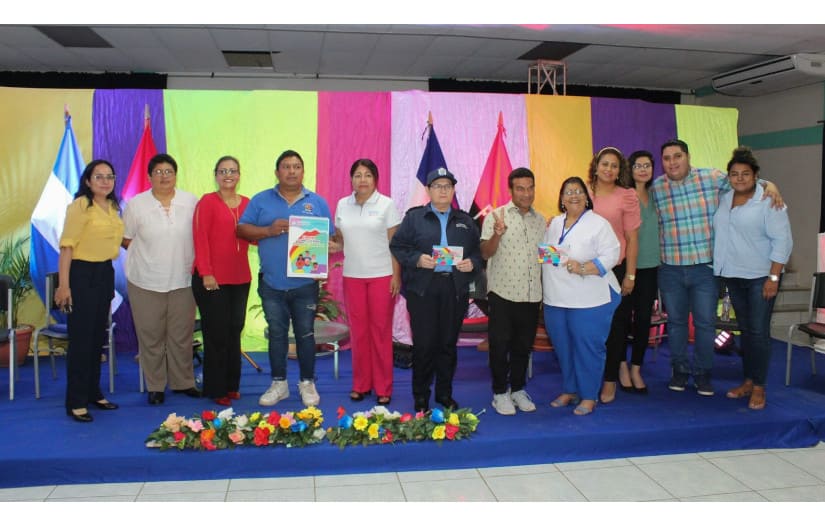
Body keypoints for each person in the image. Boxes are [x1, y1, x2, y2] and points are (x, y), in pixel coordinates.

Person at [651, 139, 783, 396]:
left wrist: (769, 184)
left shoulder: (711, 178)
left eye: (677, 156)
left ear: (688, 157)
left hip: (705, 269)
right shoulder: (657, 188)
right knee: (676, 324)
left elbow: (743, 181)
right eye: (667, 158)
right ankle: (679, 371)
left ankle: (702, 374)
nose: (672, 162)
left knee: (705, 324)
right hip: (670, 269)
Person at [237, 150, 339, 408]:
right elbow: (241, 228)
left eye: (296, 166)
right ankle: (279, 383)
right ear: (277, 172)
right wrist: (268, 230)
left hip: (305, 285)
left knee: (305, 334)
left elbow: (332, 237)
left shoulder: (317, 202)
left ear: (303, 172)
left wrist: (330, 246)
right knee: (277, 335)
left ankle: (307, 382)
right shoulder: (261, 200)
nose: (292, 171)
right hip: (272, 283)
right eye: (286, 166)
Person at [390, 167, 482, 412]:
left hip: (454, 289)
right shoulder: (414, 218)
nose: (443, 191)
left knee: (448, 344)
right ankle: (421, 396)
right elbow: (398, 246)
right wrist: (417, 259)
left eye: (447, 186)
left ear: (453, 190)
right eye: (438, 186)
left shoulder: (465, 221)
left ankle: (444, 394)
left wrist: (472, 263)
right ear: (428, 190)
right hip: (423, 290)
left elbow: (478, 254)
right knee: (424, 345)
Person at [713, 146, 792, 410]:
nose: (740, 178)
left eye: (745, 174)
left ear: (756, 175)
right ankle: (747, 381)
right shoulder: (724, 198)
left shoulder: (769, 201)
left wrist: (774, 277)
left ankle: (759, 387)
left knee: (758, 332)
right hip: (733, 276)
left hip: (761, 277)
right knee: (746, 331)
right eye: (734, 174)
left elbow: (783, 241)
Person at [123, 153, 200, 405]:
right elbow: (125, 238)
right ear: (149, 177)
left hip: (183, 280)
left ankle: (183, 382)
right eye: (158, 172)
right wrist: (151, 255)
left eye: (169, 171)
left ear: (176, 175)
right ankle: (155, 385)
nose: (164, 176)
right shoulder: (136, 204)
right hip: (145, 281)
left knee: (181, 336)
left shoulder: (191, 201)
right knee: (151, 336)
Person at [542, 176, 621, 416]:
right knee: (563, 346)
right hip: (556, 297)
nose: (574, 195)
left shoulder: (599, 224)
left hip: (590, 298)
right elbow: (548, 255)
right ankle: (570, 389)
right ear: (561, 199)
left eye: (579, 191)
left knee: (588, 347)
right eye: (568, 192)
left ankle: (588, 395)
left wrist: (585, 267)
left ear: (587, 197)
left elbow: (612, 254)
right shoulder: (554, 223)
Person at [54, 160, 123, 422]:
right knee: (81, 341)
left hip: (104, 273)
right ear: (87, 181)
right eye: (99, 176)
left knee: (96, 339)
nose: (105, 181)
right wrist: (64, 285)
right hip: (81, 274)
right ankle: (76, 401)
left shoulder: (113, 207)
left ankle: (94, 392)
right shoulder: (81, 205)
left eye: (109, 176)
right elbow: (67, 247)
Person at [334, 158, 401, 406]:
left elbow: (395, 245)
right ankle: (360, 384)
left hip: (382, 276)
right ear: (351, 179)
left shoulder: (386, 204)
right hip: (352, 277)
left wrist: (396, 276)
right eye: (357, 175)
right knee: (358, 333)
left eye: (368, 175)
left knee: (380, 333)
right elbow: (340, 242)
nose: (362, 180)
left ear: (375, 179)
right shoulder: (342, 205)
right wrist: (317, 246)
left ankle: (383, 387)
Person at [480, 167, 546, 415]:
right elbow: (485, 252)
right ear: (511, 190)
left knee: (523, 346)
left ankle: (517, 389)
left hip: (531, 294)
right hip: (503, 293)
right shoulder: (496, 216)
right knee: (499, 346)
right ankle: (499, 393)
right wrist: (497, 235)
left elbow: (545, 256)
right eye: (520, 189)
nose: (526, 194)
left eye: (530, 188)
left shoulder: (541, 220)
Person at [192, 156, 252, 406]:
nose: (228, 175)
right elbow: (200, 238)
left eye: (233, 171)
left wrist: (284, 233)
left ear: (239, 175)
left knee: (234, 329)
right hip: (212, 279)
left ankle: (231, 385)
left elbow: (255, 236)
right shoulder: (207, 202)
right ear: (216, 175)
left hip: (240, 277)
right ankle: (216, 388)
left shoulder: (248, 203)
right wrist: (206, 272)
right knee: (216, 333)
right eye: (223, 171)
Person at [587, 147, 640, 404]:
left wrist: (630, 275)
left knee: (616, 327)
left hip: (615, 271)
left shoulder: (626, 196)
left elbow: (632, 238)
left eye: (614, 165)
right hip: (585, 271)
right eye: (605, 164)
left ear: (620, 171)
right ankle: (587, 379)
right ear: (596, 166)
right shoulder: (582, 191)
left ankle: (610, 380)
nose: (609, 169)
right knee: (588, 328)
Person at [623, 150, 661, 394]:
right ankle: (620, 366)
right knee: (622, 320)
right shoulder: (623, 194)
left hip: (650, 266)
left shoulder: (658, 193)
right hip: (626, 267)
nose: (643, 169)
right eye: (638, 165)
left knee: (644, 319)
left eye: (647, 165)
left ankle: (636, 367)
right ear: (630, 168)